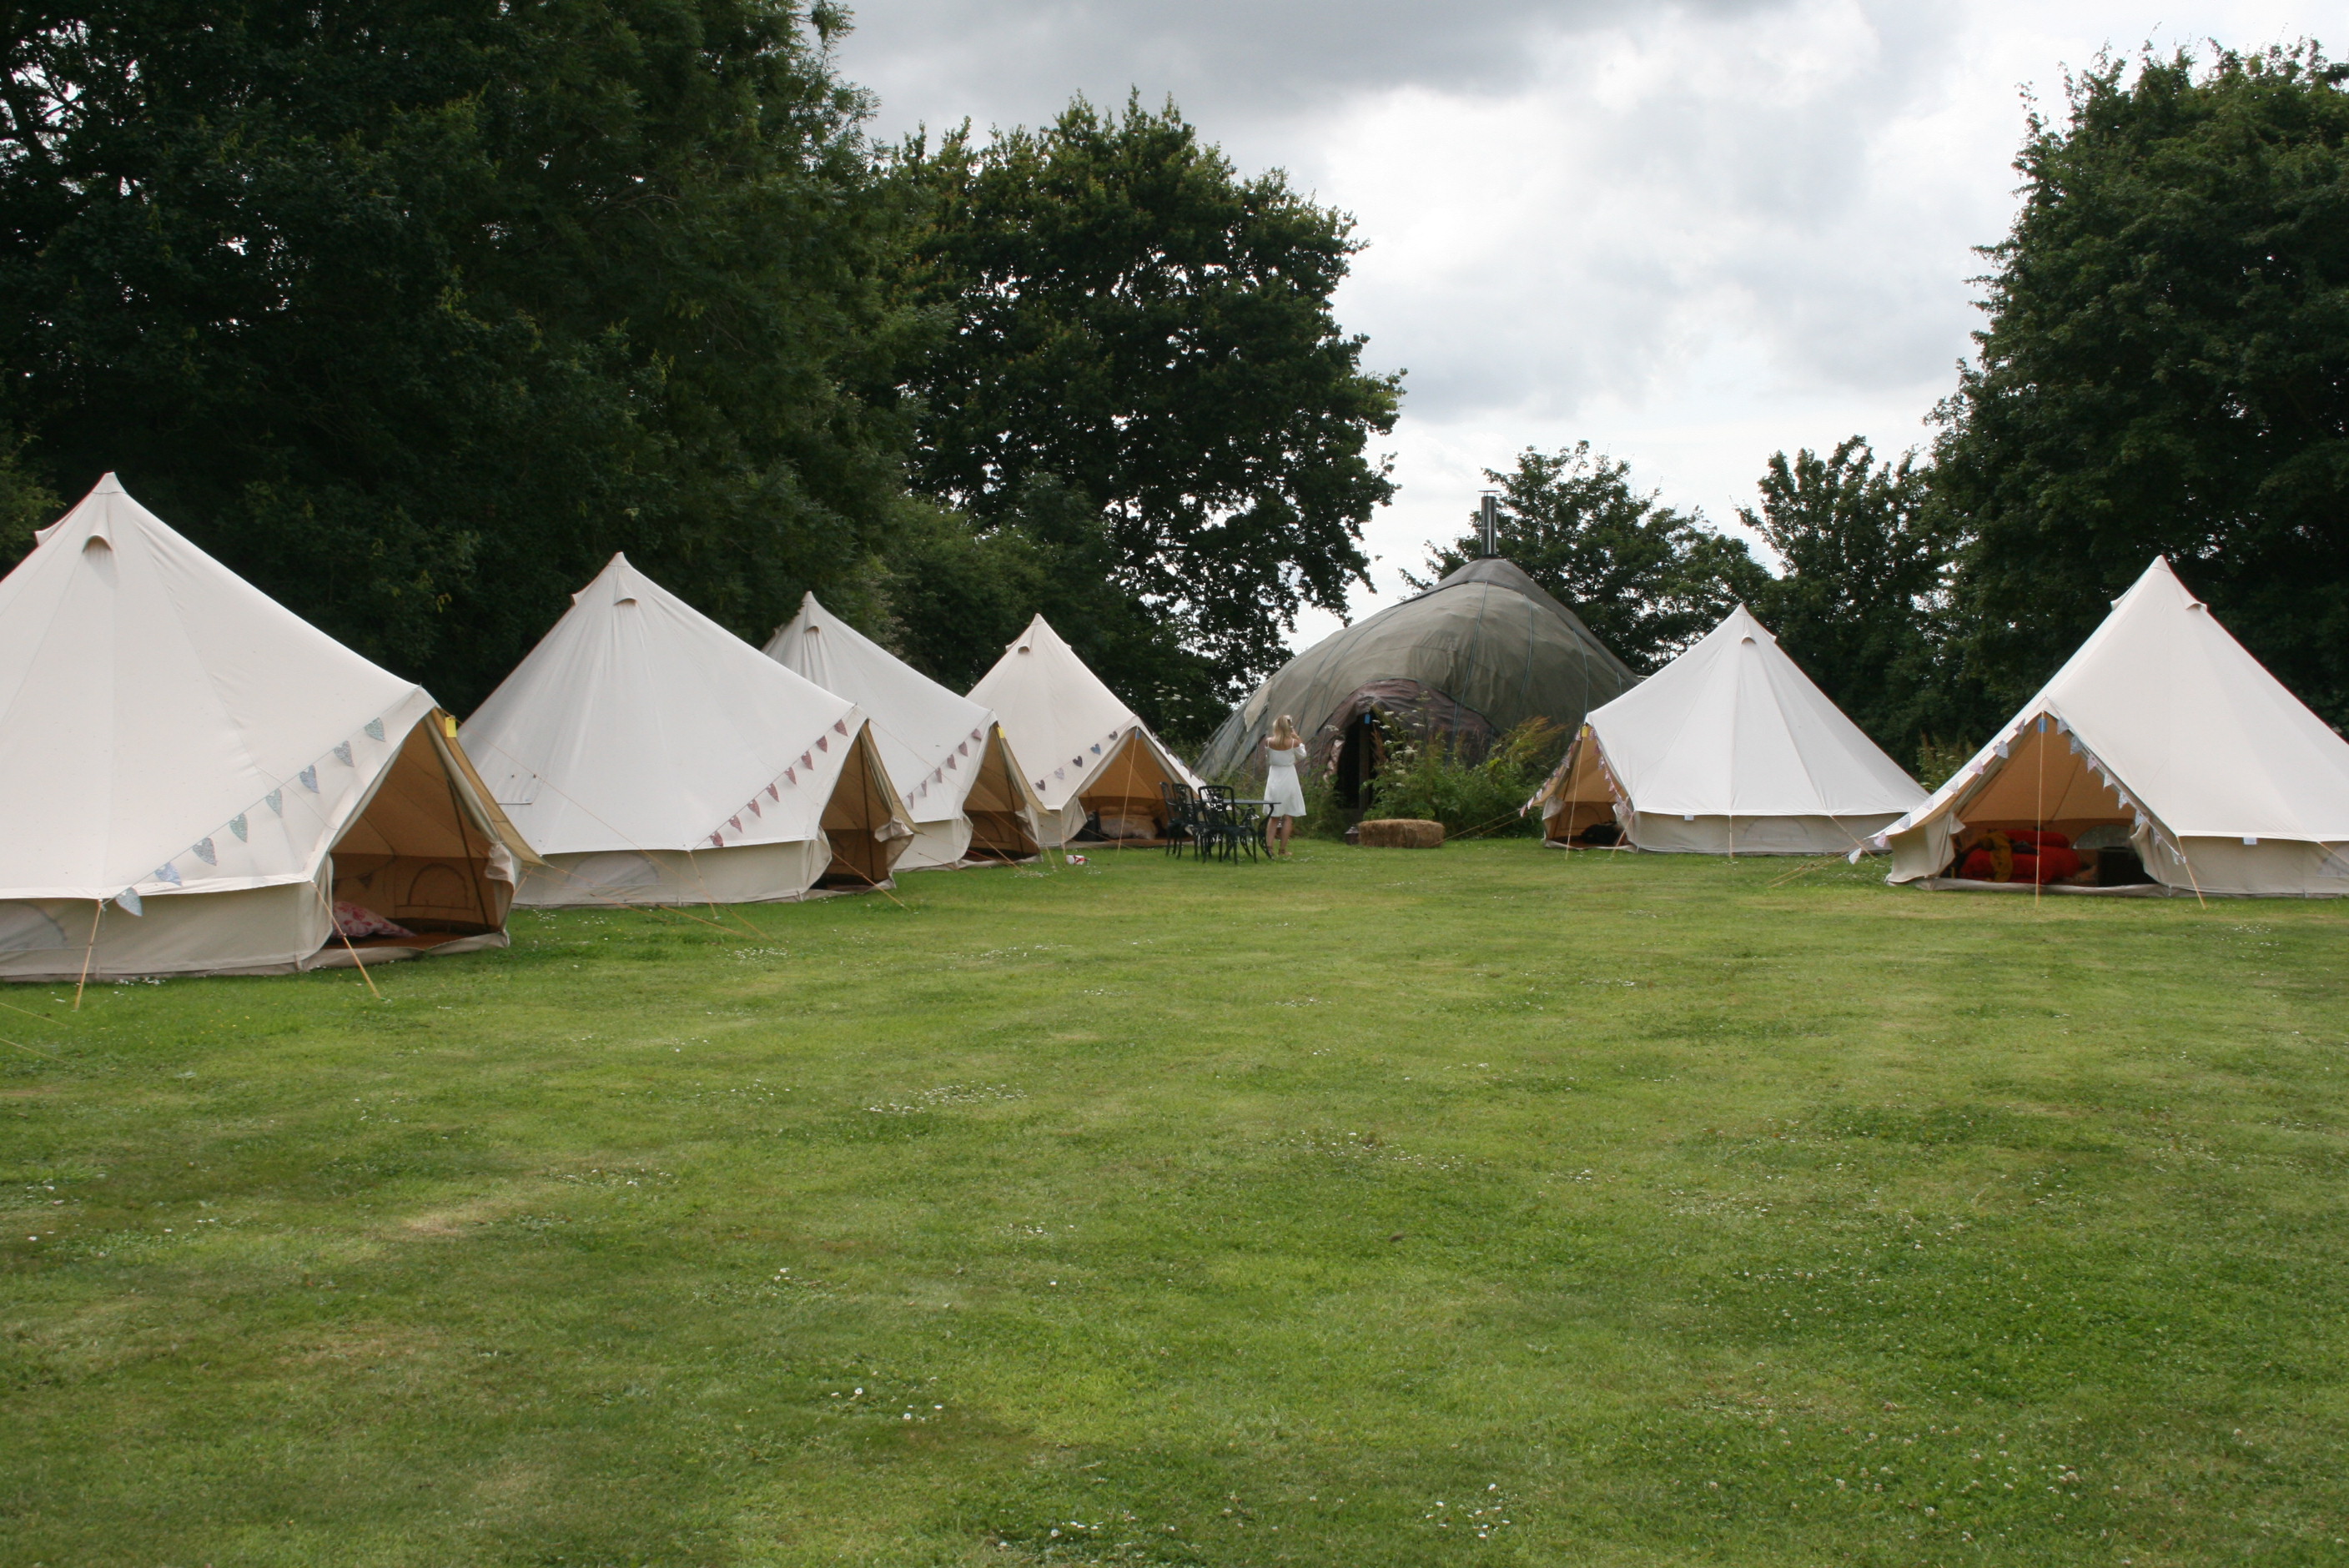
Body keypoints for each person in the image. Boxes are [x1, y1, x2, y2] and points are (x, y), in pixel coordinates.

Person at [1260, 714, 1308, 858]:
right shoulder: (1293, 742)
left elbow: (1269, 757)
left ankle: (1269, 847)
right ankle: (1282, 849)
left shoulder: (1269, 742)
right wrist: (1297, 737)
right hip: (1288, 776)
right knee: (1288, 815)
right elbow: (1303, 755)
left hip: (1274, 776)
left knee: (1274, 816)